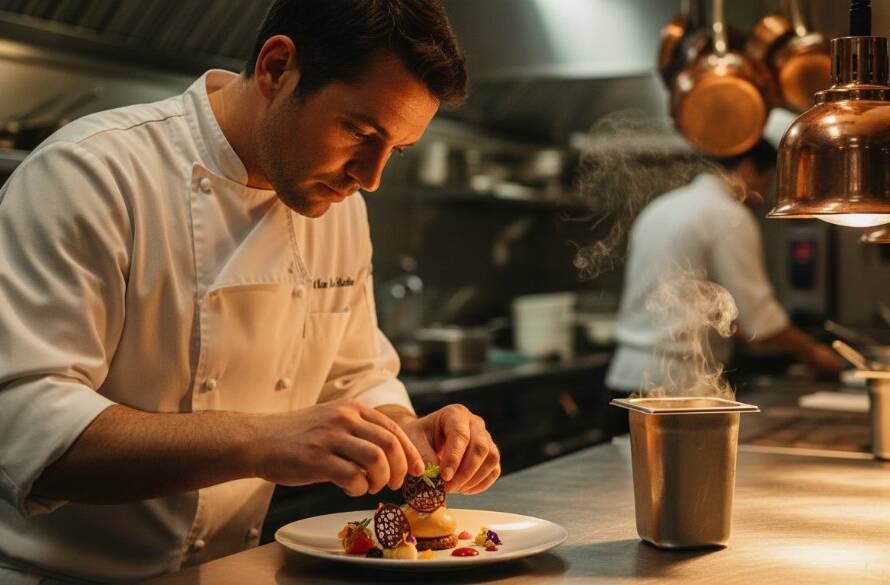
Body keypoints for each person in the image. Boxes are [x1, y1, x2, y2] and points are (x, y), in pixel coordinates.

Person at [0, 1, 500, 582]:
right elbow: (24, 425)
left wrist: (403, 431)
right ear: (276, 67)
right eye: (360, 132)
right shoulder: (92, 173)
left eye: (398, 150)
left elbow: (354, 374)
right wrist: (260, 441)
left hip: (228, 571)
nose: (370, 177)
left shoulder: (337, 206)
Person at [606, 140, 843, 427]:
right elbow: (760, 320)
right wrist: (813, 352)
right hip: (676, 386)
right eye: (767, 181)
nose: (764, 195)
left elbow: (683, 305)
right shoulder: (728, 215)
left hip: (625, 378)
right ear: (747, 169)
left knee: (625, 456)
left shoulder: (660, 208)